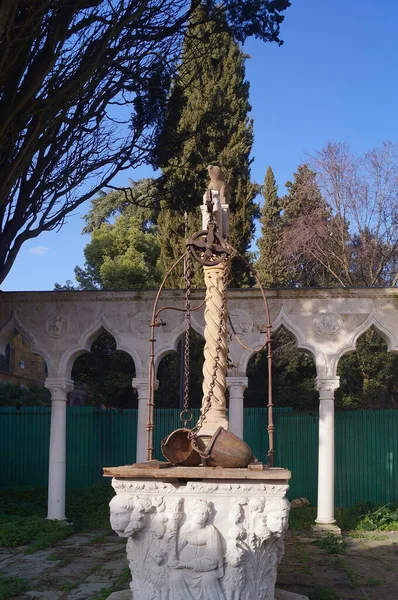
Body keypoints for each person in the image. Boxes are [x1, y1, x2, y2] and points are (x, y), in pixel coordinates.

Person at [169, 499, 225, 600]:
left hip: (205, 571)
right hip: (184, 570)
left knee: (209, 580)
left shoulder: (211, 531)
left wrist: (187, 564)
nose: (201, 516)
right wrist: (173, 559)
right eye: (199, 513)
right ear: (193, 513)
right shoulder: (186, 529)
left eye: (204, 514)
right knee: (175, 578)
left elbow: (212, 561)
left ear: (208, 516)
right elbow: (174, 551)